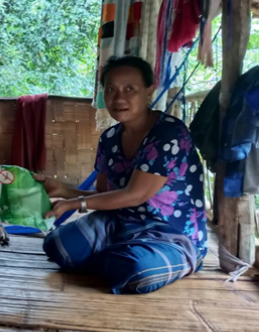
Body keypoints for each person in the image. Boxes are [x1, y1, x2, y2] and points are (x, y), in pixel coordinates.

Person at [38, 56, 207, 295]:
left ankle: (130, 259)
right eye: (110, 89)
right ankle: (116, 258)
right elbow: (106, 196)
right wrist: (63, 190)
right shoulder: (109, 138)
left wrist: (72, 204)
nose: (119, 98)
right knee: (57, 245)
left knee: (137, 269)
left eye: (130, 89)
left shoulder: (169, 133)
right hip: (119, 223)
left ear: (149, 91)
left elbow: (135, 195)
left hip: (171, 234)